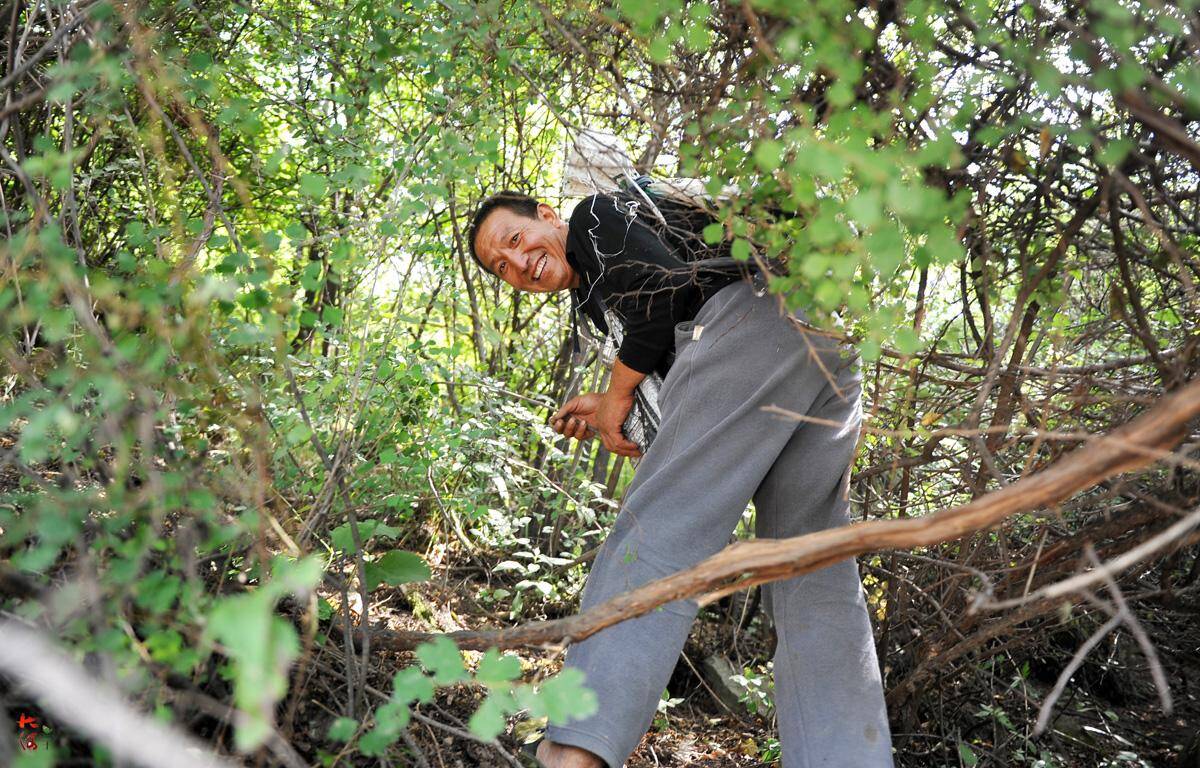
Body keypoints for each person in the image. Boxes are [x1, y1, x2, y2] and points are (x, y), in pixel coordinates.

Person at [469, 188, 894, 768]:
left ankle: (575, 750)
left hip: (751, 322)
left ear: (546, 214)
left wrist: (617, 394)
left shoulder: (594, 215)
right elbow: (682, 373)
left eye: (516, 241)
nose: (519, 264)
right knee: (811, 565)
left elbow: (666, 294)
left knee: (654, 535)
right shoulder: (593, 300)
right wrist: (612, 408)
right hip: (818, 343)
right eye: (503, 267)